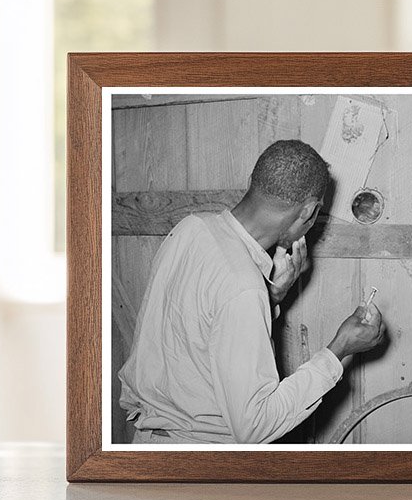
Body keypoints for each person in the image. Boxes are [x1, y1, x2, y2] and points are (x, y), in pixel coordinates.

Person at [119, 139, 387, 444]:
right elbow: (255, 426)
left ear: (253, 182)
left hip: (147, 442)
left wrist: (272, 295)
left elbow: (203, 329)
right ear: (309, 211)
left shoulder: (191, 228)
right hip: (197, 464)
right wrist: (340, 349)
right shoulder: (243, 287)